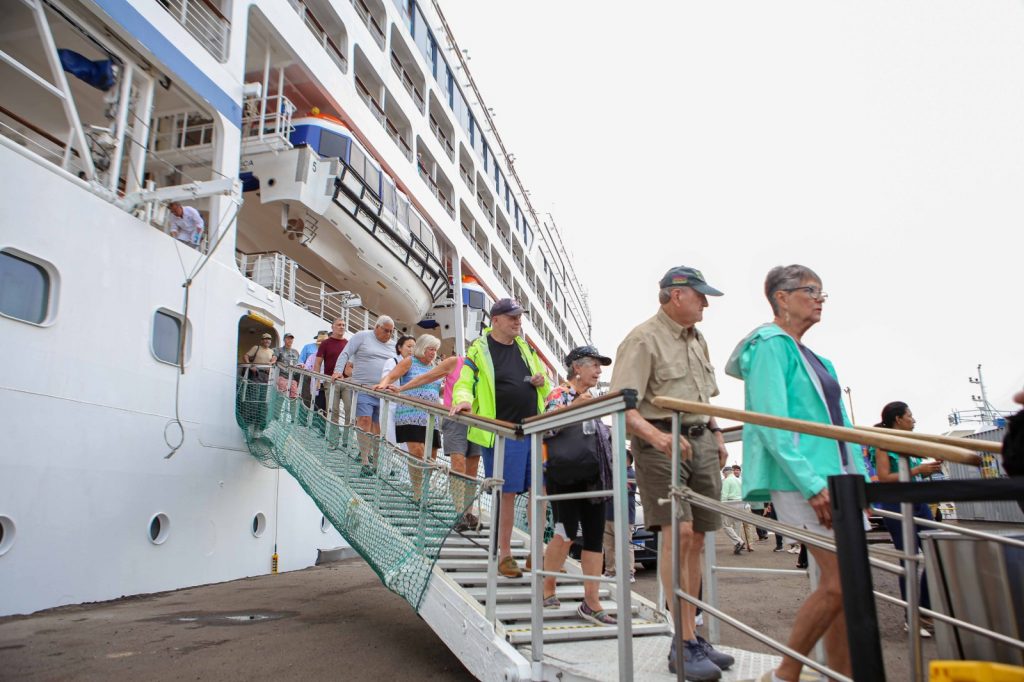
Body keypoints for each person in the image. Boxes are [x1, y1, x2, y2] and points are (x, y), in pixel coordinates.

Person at [725, 264, 869, 682]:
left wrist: (855, 480)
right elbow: (772, 422)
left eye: (822, 291)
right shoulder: (771, 345)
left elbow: (840, 426)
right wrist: (811, 484)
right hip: (804, 481)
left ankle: (841, 673)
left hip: (837, 478)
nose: (819, 298)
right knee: (841, 583)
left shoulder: (817, 357)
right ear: (781, 298)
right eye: (810, 290)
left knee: (845, 590)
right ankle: (786, 672)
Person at [609, 265, 733, 679]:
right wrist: (657, 438)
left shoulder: (698, 340)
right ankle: (680, 642)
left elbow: (703, 398)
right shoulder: (642, 339)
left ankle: (694, 636)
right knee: (676, 534)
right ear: (676, 295)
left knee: (697, 537)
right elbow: (622, 407)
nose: (706, 303)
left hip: (698, 439)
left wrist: (715, 432)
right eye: (700, 295)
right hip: (660, 438)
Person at [450, 298, 551, 579]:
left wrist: (542, 381)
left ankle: (536, 551)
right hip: (503, 433)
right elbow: (464, 381)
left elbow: (545, 382)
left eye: (520, 317)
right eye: (512, 317)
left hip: (532, 429)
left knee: (538, 492)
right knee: (506, 494)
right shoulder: (479, 350)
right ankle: (504, 553)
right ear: (495, 320)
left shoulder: (524, 347)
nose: (518, 322)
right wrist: (463, 401)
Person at [541, 346, 616, 625]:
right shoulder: (559, 394)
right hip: (565, 475)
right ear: (577, 368)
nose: (599, 372)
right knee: (565, 533)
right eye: (594, 366)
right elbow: (545, 429)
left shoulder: (592, 398)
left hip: (594, 475)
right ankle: (547, 586)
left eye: (600, 367)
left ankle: (592, 602)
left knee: (595, 537)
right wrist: (575, 407)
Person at [383, 350, 483, 531]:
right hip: (455, 418)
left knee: (473, 469)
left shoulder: (485, 368)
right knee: (458, 464)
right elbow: (427, 377)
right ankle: (459, 513)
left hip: (479, 421)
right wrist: (400, 388)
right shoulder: (455, 362)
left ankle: (469, 513)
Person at [870, 401, 942, 637]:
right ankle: (912, 618)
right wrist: (918, 471)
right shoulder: (883, 443)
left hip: (919, 502)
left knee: (936, 555)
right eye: (910, 416)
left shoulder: (909, 443)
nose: (914, 419)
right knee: (909, 561)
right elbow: (883, 477)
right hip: (898, 504)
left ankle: (925, 610)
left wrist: (929, 466)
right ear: (898, 419)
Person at [377, 335, 444, 499]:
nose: (433, 353)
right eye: (431, 349)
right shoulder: (410, 361)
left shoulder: (434, 366)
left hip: (430, 417)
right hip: (410, 414)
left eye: (435, 350)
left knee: (431, 457)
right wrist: (382, 385)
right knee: (416, 453)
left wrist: (447, 389)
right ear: (422, 348)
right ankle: (417, 493)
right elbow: (392, 376)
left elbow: (435, 390)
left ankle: (426, 490)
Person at [333, 316, 397, 473]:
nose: (388, 334)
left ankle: (377, 462)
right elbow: (345, 353)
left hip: (384, 393)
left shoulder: (394, 345)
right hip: (364, 388)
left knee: (378, 428)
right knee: (364, 421)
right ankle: (365, 461)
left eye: (391, 331)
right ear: (376, 327)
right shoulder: (362, 336)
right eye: (385, 330)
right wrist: (337, 371)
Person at [603, 449, 637, 583]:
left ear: (628, 460)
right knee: (608, 545)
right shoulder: (611, 473)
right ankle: (610, 571)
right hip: (608, 515)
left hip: (625, 517)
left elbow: (624, 488)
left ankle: (629, 573)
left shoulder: (630, 474)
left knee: (625, 545)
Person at [313, 318, 348, 436]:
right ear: (332, 327)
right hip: (330, 381)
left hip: (347, 382)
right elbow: (317, 363)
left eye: (343, 325)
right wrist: (318, 379)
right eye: (339, 325)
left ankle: (346, 441)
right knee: (333, 411)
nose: (342, 327)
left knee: (350, 410)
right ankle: (333, 440)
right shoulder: (325, 343)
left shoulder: (347, 343)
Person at [380, 335, 415, 449]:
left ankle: (404, 467)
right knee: (389, 438)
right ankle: (385, 467)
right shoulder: (392, 362)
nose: (412, 350)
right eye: (409, 346)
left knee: (407, 442)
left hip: (407, 407)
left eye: (414, 347)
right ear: (400, 348)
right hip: (391, 404)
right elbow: (385, 379)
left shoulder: (415, 365)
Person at [720, 466, 747, 555]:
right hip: (741, 503)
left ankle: (738, 541)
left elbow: (724, 495)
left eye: (723, 473)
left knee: (726, 525)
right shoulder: (739, 480)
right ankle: (737, 545)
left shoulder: (727, 481)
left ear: (725, 473)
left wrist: (721, 506)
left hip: (731, 503)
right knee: (737, 525)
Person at [733, 464, 757, 551]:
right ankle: (739, 543)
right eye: (734, 470)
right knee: (737, 526)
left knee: (748, 526)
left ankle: (750, 545)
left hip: (745, 506)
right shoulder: (729, 481)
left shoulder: (744, 480)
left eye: (738, 470)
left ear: (740, 471)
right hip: (735, 506)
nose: (736, 471)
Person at [274, 333, 301, 399]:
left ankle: (291, 410)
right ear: (284, 339)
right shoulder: (278, 350)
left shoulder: (295, 352)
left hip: (293, 378)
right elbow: (274, 358)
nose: (290, 340)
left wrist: (301, 366)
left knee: (294, 398)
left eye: (291, 339)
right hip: (282, 377)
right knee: (281, 397)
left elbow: (298, 363)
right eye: (288, 338)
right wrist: (272, 360)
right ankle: (277, 410)